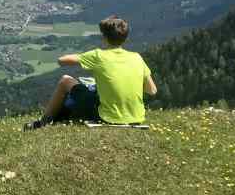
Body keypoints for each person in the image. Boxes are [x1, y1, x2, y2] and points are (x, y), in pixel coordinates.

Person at [24, 16, 156, 130]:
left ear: (104, 38)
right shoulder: (137, 57)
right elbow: (152, 90)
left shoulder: (98, 55)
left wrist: (83, 57)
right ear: (125, 38)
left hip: (106, 117)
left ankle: (42, 123)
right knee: (94, 87)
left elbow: (62, 60)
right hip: (137, 118)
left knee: (66, 80)